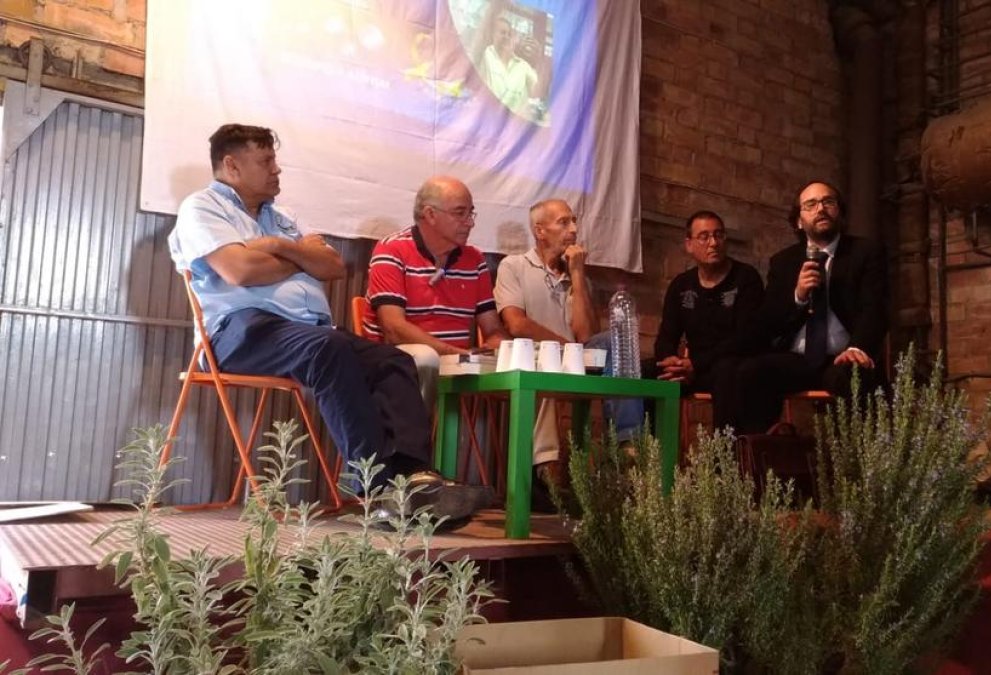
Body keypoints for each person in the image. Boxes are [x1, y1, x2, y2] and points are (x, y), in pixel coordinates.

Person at [168, 124, 486, 526]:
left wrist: (281, 246)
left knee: (394, 361)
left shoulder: (281, 219)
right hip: (238, 332)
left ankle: (413, 478)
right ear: (231, 165)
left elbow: (333, 266)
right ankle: (378, 488)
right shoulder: (203, 208)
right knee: (328, 351)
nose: (276, 170)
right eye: (266, 161)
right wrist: (301, 257)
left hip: (304, 332)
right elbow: (239, 269)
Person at [720, 181, 888, 434]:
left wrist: (858, 347)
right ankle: (750, 462)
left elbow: (874, 308)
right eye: (811, 204)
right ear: (799, 220)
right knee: (747, 373)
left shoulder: (865, 252)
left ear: (839, 212)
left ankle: (857, 467)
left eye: (828, 202)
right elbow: (769, 320)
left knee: (852, 379)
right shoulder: (783, 261)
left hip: (843, 356)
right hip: (798, 358)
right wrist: (797, 296)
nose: (821, 208)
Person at [493, 199, 641, 481]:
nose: (573, 229)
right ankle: (542, 472)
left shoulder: (580, 279)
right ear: (540, 230)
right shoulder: (514, 266)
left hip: (575, 360)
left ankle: (627, 445)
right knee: (549, 368)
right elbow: (515, 323)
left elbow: (587, 337)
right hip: (533, 356)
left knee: (613, 341)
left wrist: (577, 274)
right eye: (564, 222)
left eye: (574, 222)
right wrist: (565, 348)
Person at [362, 176, 509, 412]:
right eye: (460, 213)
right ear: (430, 215)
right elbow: (393, 329)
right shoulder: (391, 249)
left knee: (520, 358)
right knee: (425, 358)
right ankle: (415, 444)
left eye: (471, 213)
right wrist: (456, 354)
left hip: (455, 363)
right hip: (393, 360)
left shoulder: (475, 259)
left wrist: (500, 350)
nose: (470, 223)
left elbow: (492, 329)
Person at [650, 210, 763, 394]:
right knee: (646, 372)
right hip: (689, 369)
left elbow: (746, 339)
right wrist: (671, 362)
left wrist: (696, 364)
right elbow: (666, 336)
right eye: (704, 237)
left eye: (718, 235)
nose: (713, 243)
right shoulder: (681, 285)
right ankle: (645, 425)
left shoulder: (746, 277)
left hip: (729, 365)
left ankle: (724, 426)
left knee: (728, 372)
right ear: (689, 245)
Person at [481, 17, 538, 116]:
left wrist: (537, 61)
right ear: (492, 34)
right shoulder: (485, 55)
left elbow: (538, 94)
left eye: (509, 34)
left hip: (512, 125)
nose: (506, 37)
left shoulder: (523, 65)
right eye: (503, 33)